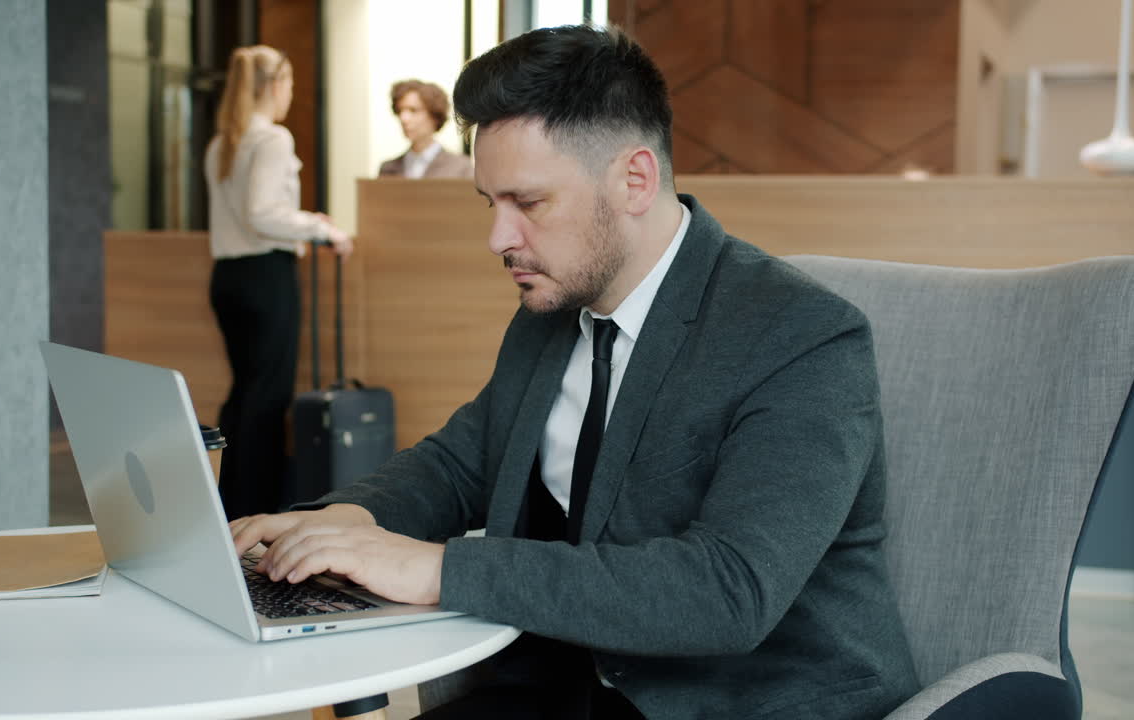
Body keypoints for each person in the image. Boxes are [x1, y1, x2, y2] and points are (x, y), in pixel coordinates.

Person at [231, 26, 919, 720]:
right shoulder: (552, 312)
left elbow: (728, 591)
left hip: (742, 702)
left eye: (527, 204)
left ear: (635, 181)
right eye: (489, 204)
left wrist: (435, 567)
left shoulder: (800, 337)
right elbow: (461, 463)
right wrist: (341, 522)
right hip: (566, 687)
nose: (498, 239)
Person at [205, 45, 351, 521]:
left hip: (228, 277)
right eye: (288, 83)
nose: (291, 93)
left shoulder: (223, 140)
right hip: (265, 276)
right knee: (266, 399)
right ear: (273, 85)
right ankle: (255, 514)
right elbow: (263, 214)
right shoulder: (270, 139)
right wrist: (319, 228)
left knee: (245, 393)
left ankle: (228, 504)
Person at [378, 79, 473, 179]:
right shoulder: (387, 169)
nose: (404, 118)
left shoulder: (461, 168)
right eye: (400, 111)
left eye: (413, 110)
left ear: (434, 116)